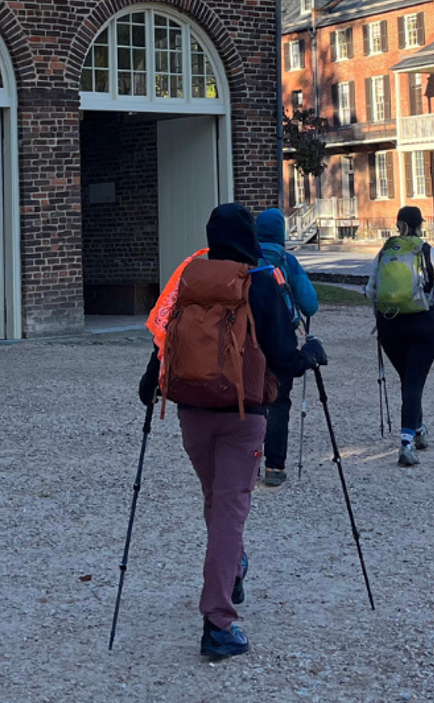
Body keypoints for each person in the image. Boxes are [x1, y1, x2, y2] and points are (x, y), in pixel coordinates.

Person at [137, 203, 327, 659]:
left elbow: (165, 337)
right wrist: (311, 355)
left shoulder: (190, 278)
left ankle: (233, 569)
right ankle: (219, 621)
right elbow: (283, 356)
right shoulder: (260, 281)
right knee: (230, 511)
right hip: (244, 414)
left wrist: (150, 385)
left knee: (216, 500)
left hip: (190, 410)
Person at [370, 205, 434, 468]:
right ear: (420, 224)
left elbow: (370, 289)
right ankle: (407, 442)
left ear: (398, 224)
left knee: (409, 379)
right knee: (414, 381)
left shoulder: (385, 251)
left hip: (390, 325)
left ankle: (418, 428)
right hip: (424, 324)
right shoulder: (427, 251)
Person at [254, 207, 320, 487]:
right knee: (279, 403)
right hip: (282, 338)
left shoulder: (247, 259)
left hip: (247, 339)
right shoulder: (287, 262)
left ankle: (248, 461)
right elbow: (310, 304)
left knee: (251, 399)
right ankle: (274, 466)